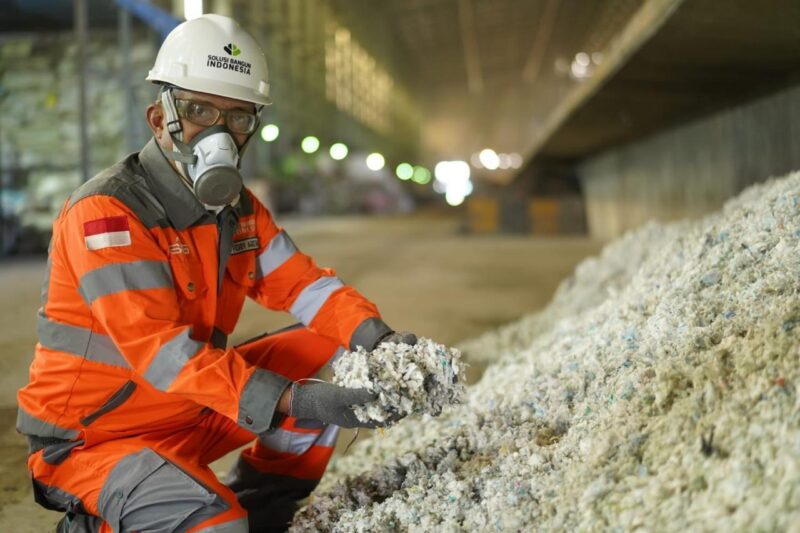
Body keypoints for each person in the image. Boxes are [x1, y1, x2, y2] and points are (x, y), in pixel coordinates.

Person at [17, 14, 416, 533]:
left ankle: (265, 510)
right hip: (96, 436)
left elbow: (304, 285)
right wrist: (297, 400)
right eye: (199, 109)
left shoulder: (237, 210)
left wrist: (380, 341)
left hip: (188, 410)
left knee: (339, 357)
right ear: (159, 118)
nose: (220, 133)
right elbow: (161, 354)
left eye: (239, 117)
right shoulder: (108, 214)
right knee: (217, 526)